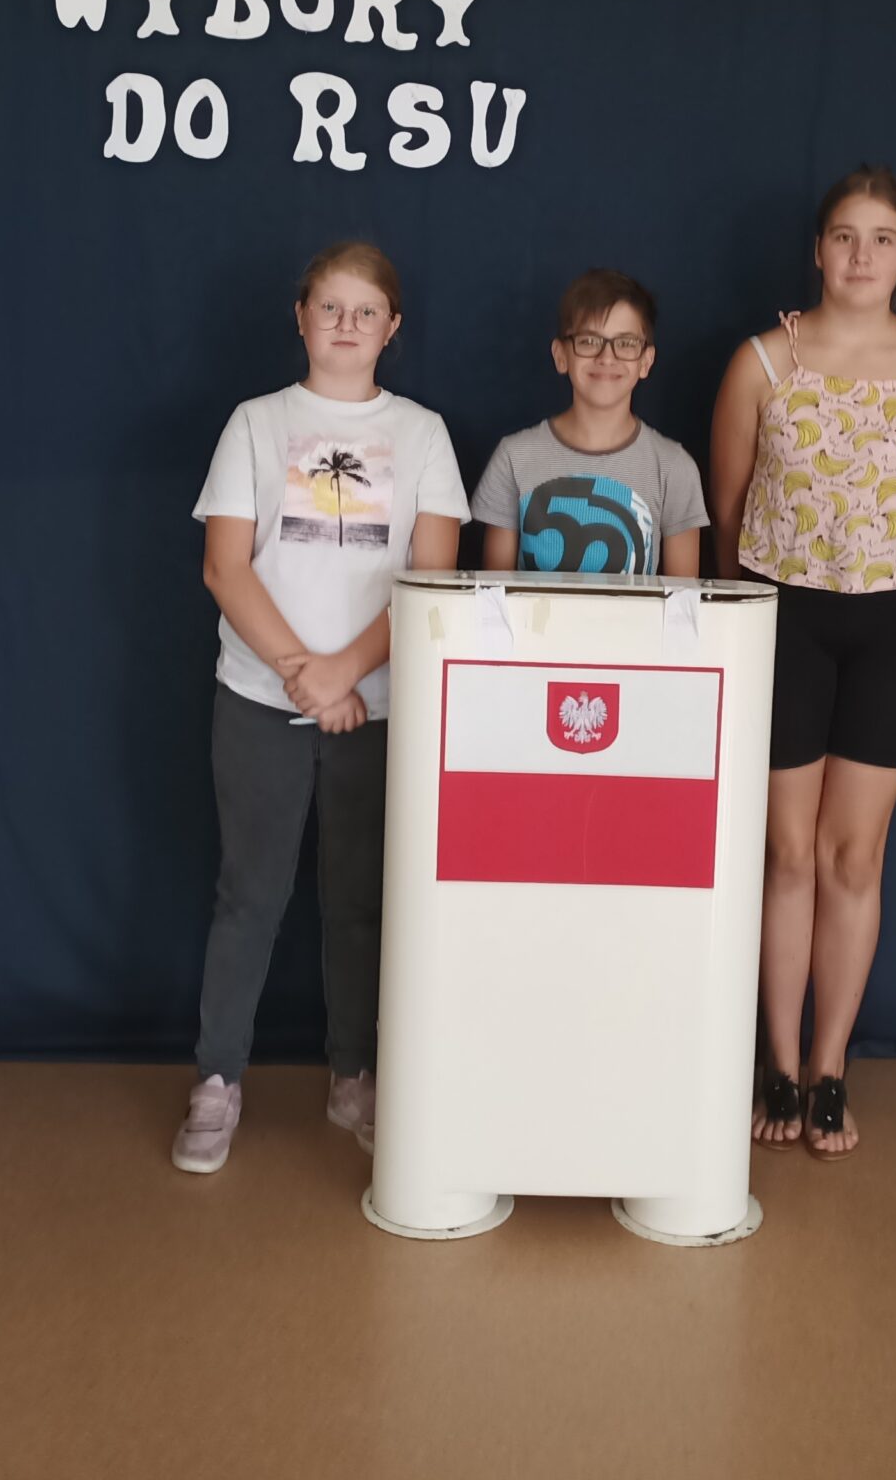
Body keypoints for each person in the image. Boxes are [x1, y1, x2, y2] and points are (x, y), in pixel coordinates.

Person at [175, 241, 468, 1175]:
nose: (347, 324)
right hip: (259, 701)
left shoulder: (422, 434)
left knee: (361, 904)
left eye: (365, 310)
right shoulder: (256, 424)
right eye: (330, 307)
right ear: (300, 318)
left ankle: (356, 1077)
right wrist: (305, 674)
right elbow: (225, 566)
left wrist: (347, 674)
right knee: (248, 897)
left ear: (392, 328)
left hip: (377, 711)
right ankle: (217, 1079)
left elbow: (433, 576)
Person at [708, 166, 896, 1158]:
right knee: (786, 853)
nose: (861, 256)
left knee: (853, 856)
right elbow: (730, 509)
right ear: (817, 251)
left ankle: (830, 1070)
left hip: (893, 625)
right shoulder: (759, 365)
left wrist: (870, 571)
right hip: (785, 619)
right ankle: (777, 1066)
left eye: (881, 238)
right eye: (843, 236)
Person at [471, 269, 707, 578]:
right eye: (589, 341)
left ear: (646, 361)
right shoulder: (514, 457)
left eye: (625, 343)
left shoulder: (674, 466)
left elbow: (683, 599)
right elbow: (495, 593)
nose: (607, 357)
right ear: (561, 355)